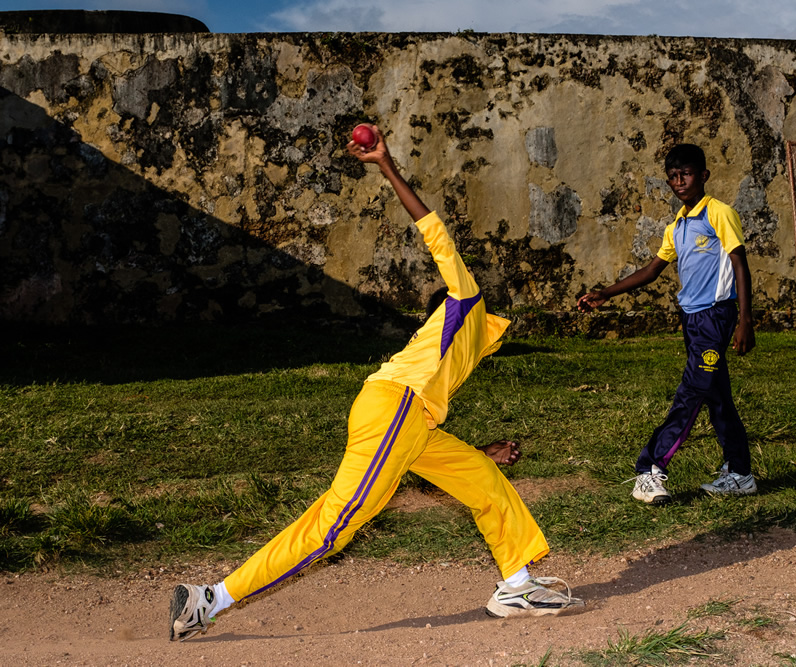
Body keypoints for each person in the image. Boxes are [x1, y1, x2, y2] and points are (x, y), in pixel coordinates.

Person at [168, 126, 583, 641]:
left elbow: (412, 429)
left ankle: (516, 585)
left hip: (410, 419)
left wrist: (477, 447)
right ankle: (211, 600)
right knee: (333, 525)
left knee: (482, 478)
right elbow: (436, 235)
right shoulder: (466, 302)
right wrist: (386, 165)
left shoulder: (462, 343)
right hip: (395, 409)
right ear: (447, 307)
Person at [577, 143, 757, 504]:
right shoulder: (676, 226)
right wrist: (605, 294)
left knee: (691, 393)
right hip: (691, 320)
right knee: (716, 396)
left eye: (686, 174)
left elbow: (740, 263)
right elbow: (651, 270)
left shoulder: (718, 214)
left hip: (716, 316)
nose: (679, 182)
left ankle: (650, 468)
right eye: (673, 177)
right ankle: (739, 473)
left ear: (703, 176)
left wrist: (745, 319)